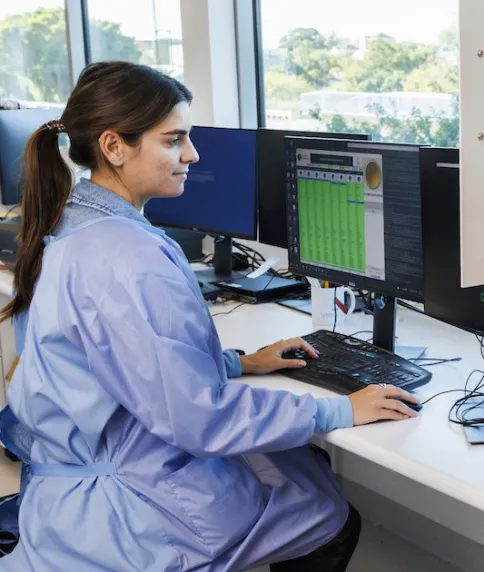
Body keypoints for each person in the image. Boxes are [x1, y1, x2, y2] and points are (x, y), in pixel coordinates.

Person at [0, 61, 421, 571]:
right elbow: (198, 419)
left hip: (68, 489)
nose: (192, 155)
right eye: (174, 139)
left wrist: (236, 363)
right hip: (125, 514)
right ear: (114, 147)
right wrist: (340, 411)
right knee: (323, 507)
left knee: (290, 462)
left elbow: (111, 362)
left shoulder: (70, 225)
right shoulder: (128, 259)